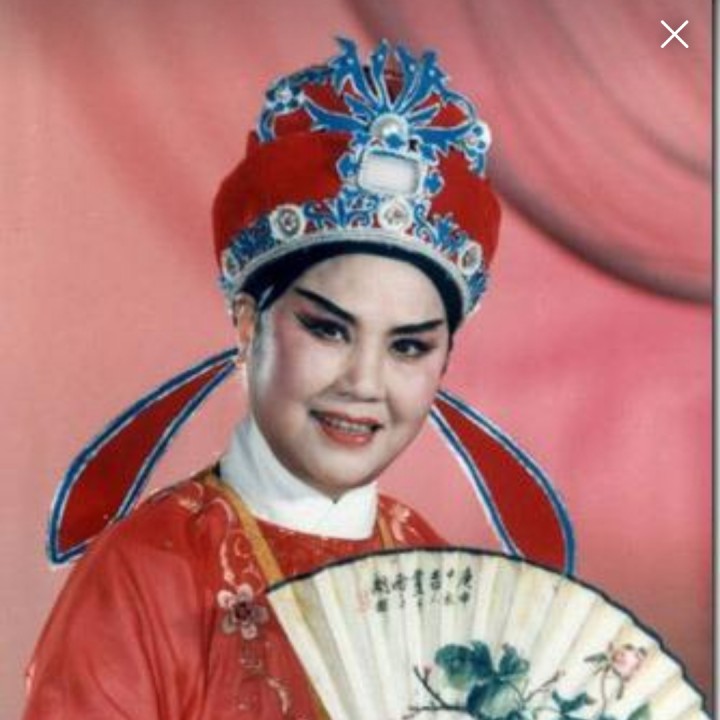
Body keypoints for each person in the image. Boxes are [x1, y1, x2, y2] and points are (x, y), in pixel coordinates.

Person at [23, 38, 573, 719]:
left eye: (408, 347)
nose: (364, 382)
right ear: (248, 325)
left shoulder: (434, 572)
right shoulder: (145, 573)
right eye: (328, 329)